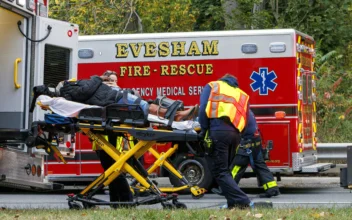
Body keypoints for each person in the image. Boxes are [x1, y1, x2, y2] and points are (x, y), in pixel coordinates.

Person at [198, 73, 253, 209]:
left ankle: (244, 201)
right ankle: (232, 204)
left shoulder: (213, 86)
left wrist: (203, 129)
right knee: (226, 170)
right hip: (235, 134)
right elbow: (246, 118)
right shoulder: (241, 94)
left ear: (222, 79)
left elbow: (203, 108)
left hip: (218, 131)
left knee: (219, 171)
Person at [212, 109, 280, 198]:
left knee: (237, 166)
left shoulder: (236, 112)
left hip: (248, 144)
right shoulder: (246, 109)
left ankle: (227, 189)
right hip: (256, 141)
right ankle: (272, 189)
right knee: (260, 165)